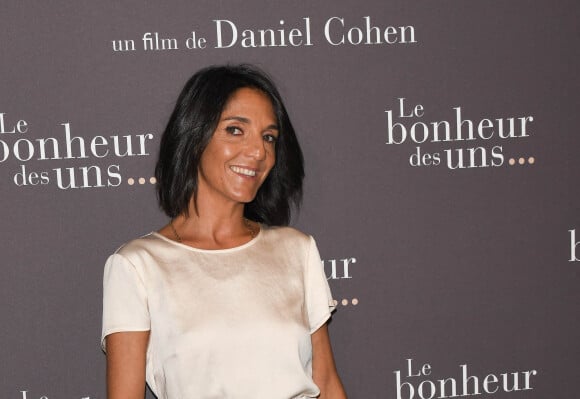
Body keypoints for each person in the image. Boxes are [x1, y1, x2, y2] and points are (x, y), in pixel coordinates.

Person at [101, 64, 347, 399]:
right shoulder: (136, 266)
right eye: (235, 130)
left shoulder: (296, 250)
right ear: (194, 136)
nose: (258, 151)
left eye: (269, 137)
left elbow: (328, 384)